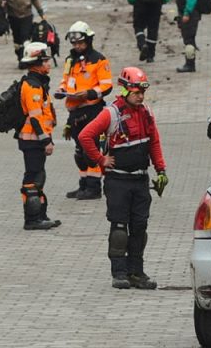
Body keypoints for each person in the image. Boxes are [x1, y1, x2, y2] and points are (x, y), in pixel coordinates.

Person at [77, 67, 167, 290]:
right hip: (118, 181)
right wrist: (101, 159)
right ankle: (119, 273)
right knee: (119, 228)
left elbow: (154, 142)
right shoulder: (112, 113)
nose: (140, 95)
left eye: (142, 91)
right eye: (136, 90)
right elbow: (84, 135)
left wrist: (161, 170)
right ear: (125, 89)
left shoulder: (146, 112)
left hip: (140, 180)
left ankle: (136, 272)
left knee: (139, 227)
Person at [56, 21, 112, 200]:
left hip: (92, 110)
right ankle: (83, 185)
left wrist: (88, 93)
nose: (77, 46)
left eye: (80, 43)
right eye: (74, 44)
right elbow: (66, 80)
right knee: (79, 152)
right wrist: (61, 90)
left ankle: (94, 188)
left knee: (91, 150)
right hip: (75, 112)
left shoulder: (99, 60)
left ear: (88, 40)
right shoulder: (69, 60)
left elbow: (107, 86)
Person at [16, 41, 61, 231]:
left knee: (38, 176)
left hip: (34, 140)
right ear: (36, 63)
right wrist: (46, 140)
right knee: (33, 179)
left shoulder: (38, 83)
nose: (49, 63)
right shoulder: (33, 86)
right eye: (45, 60)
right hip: (33, 140)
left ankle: (40, 215)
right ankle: (32, 219)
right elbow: (35, 118)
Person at [173, 0, 201, 73]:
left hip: (190, 15)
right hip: (185, 14)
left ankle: (190, 65)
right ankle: (189, 63)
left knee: (189, 40)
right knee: (188, 39)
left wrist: (186, 13)